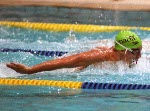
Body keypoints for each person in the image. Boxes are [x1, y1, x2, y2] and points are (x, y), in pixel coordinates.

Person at [6, 30, 142, 74]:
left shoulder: (129, 56)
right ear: (123, 50)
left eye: (140, 51)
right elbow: (64, 62)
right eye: (135, 52)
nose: (139, 56)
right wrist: (30, 70)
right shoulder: (101, 55)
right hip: (87, 60)